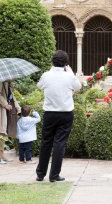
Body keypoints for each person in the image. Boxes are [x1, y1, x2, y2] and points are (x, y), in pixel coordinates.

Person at [36, 50, 81, 182]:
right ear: (66, 63)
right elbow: (78, 87)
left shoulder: (46, 75)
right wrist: (71, 73)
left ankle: (40, 174)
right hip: (66, 114)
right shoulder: (69, 76)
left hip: (49, 113)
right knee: (59, 143)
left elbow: (39, 86)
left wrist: (50, 71)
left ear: (52, 62)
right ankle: (54, 175)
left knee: (46, 142)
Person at [0, 80, 21, 164]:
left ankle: (2, 156)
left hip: (3, 109)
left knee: (2, 133)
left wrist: (17, 106)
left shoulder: (7, 82)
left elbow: (11, 95)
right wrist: (5, 104)